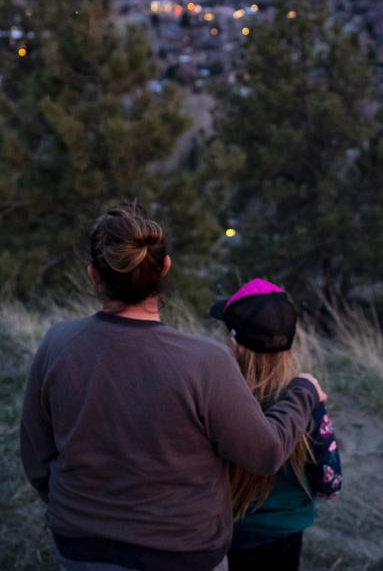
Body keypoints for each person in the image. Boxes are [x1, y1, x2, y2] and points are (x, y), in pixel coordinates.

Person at [20, 204, 327, 571]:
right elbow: (265, 453)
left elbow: (36, 453)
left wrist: (71, 508)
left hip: (80, 547)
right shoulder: (205, 361)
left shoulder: (57, 344)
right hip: (183, 553)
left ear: (93, 276)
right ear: (164, 268)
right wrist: (303, 392)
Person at [210, 279, 342, 571]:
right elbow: (330, 485)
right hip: (283, 535)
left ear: (233, 342)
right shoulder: (307, 401)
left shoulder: (213, 398)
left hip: (219, 534)